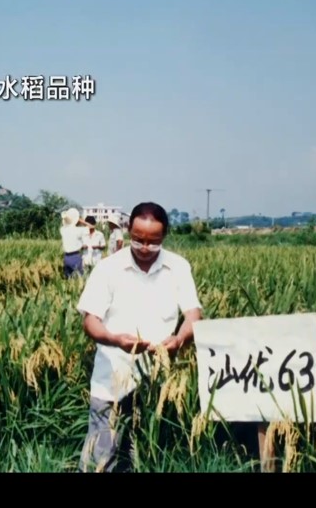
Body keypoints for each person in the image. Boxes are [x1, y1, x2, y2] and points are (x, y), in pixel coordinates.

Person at [76, 201, 204, 473]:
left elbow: (193, 315)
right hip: (111, 378)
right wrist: (115, 340)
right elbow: (90, 321)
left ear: (165, 236)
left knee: (146, 455)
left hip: (156, 382)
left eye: (153, 242)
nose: (145, 248)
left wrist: (179, 340)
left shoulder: (178, 267)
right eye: (138, 240)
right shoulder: (108, 268)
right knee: (100, 458)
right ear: (128, 231)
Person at [59, 207, 89, 279]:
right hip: (75, 256)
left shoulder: (62, 230)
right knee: (79, 277)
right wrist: (81, 221)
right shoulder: (78, 230)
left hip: (66, 257)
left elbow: (64, 225)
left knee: (68, 277)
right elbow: (90, 227)